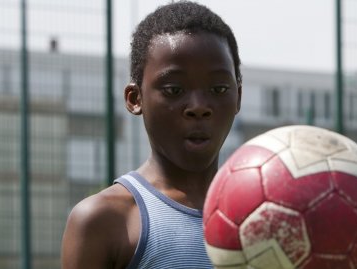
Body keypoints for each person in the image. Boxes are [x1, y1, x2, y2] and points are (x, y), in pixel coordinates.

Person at [61, 1, 242, 268]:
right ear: (135, 99)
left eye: (218, 89)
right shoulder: (106, 220)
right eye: (173, 90)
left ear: (239, 96)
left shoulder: (265, 214)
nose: (199, 107)